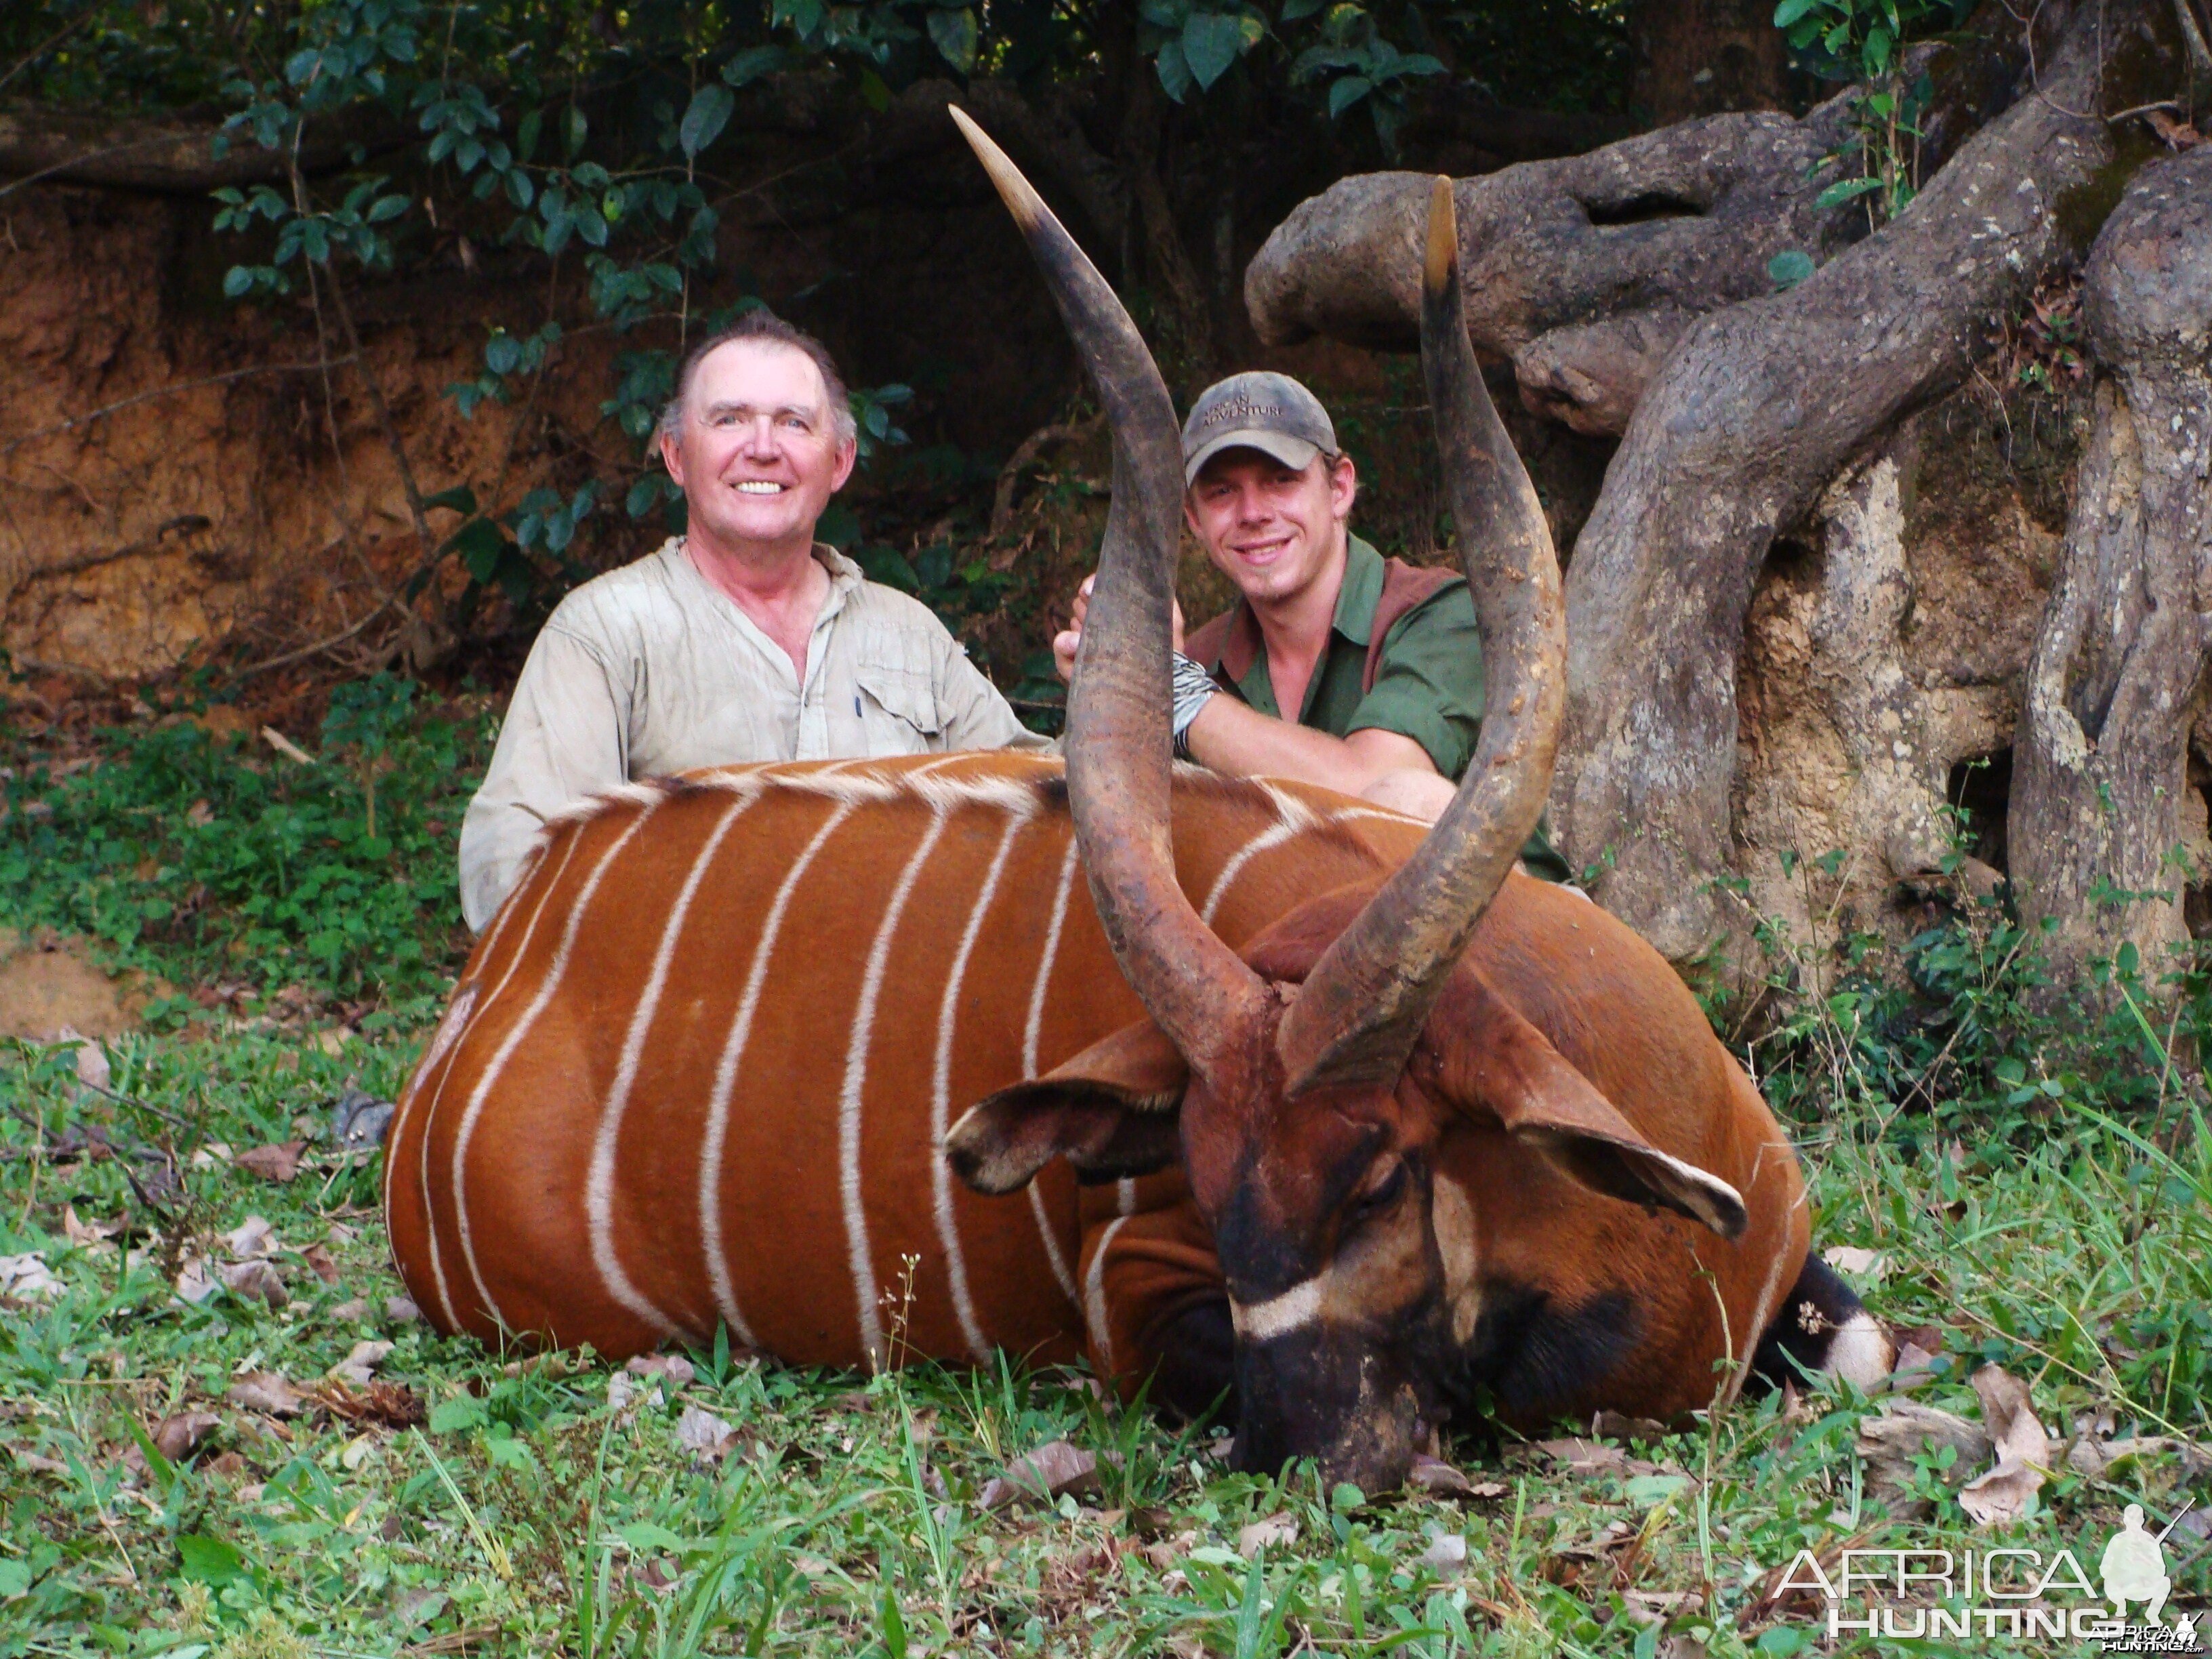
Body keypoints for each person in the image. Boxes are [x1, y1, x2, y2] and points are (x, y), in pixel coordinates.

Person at [458, 311, 1046, 931]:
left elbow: (1050, 810)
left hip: (902, 1014)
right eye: (730, 419)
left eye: (794, 423)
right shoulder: (606, 632)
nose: (763, 448)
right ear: (677, 455)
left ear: (840, 462)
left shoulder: (912, 637)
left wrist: (1146, 673)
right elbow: (511, 864)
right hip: (692, 1018)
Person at [1054, 369, 1568, 876]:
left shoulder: (1439, 616)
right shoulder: (1200, 659)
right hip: (1301, 944)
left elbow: (1376, 791)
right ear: (1193, 519)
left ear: (1340, 488)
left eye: (1281, 480)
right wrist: (1113, 688)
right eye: (1221, 493)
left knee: (1412, 796)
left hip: (1515, 940)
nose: (1253, 512)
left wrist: (1170, 689)